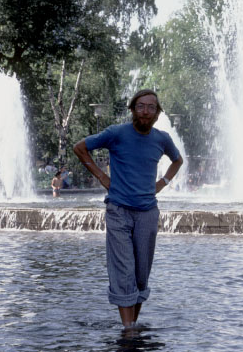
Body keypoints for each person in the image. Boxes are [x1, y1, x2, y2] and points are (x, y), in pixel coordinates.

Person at [74, 89, 183, 331]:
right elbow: (79, 147)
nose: (146, 111)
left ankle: (131, 323)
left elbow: (177, 160)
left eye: (151, 107)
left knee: (141, 274)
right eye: (141, 106)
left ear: (157, 113)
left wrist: (162, 183)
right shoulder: (116, 133)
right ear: (133, 109)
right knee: (124, 271)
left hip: (147, 212)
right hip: (119, 210)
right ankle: (129, 332)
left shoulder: (162, 139)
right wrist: (102, 176)